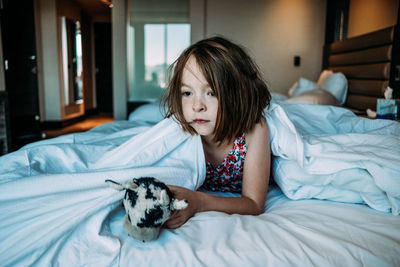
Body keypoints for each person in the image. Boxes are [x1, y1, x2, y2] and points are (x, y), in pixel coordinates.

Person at [162, 36, 272, 229]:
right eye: (187, 93)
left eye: (211, 93)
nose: (197, 106)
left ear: (238, 94)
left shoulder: (254, 130)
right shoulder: (181, 130)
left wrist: (198, 202)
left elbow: (254, 204)